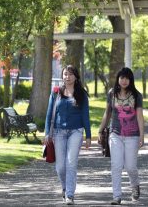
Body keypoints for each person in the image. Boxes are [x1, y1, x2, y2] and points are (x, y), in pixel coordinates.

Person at [44, 65, 91, 205]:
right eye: (65, 74)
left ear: (76, 76)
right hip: (58, 132)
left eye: (70, 74)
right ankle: (64, 188)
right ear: (62, 76)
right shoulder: (56, 92)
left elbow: (85, 116)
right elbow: (49, 114)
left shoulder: (81, 93)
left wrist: (88, 136)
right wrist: (47, 133)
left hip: (76, 132)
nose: (67, 77)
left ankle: (70, 194)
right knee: (60, 167)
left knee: (71, 163)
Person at [97, 67, 145, 205]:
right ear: (118, 79)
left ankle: (135, 185)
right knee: (116, 165)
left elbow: (140, 117)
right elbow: (107, 114)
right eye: (122, 78)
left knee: (130, 167)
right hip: (115, 134)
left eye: (127, 78)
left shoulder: (137, 95)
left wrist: (142, 135)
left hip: (133, 135)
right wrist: (100, 130)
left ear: (131, 80)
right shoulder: (112, 93)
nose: (124, 81)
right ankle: (116, 196)